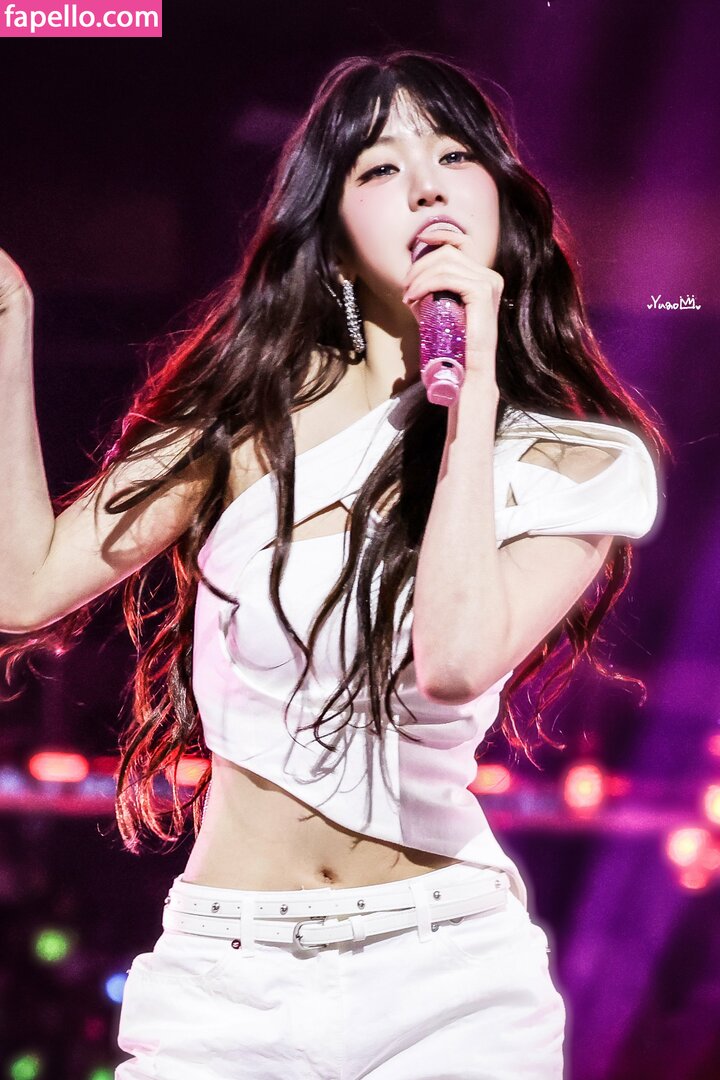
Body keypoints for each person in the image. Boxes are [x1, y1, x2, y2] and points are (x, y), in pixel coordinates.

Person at [0, 50, 668, 1080]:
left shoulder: (574, 461)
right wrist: (12, 330)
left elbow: (455, 659)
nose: (429, 185)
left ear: (503, 204)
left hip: (450, 976)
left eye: (455, 156)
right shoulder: (243, 416)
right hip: (231, 975)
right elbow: (25, 586)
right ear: (336, 233)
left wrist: (473, 394)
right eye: (381, 168)